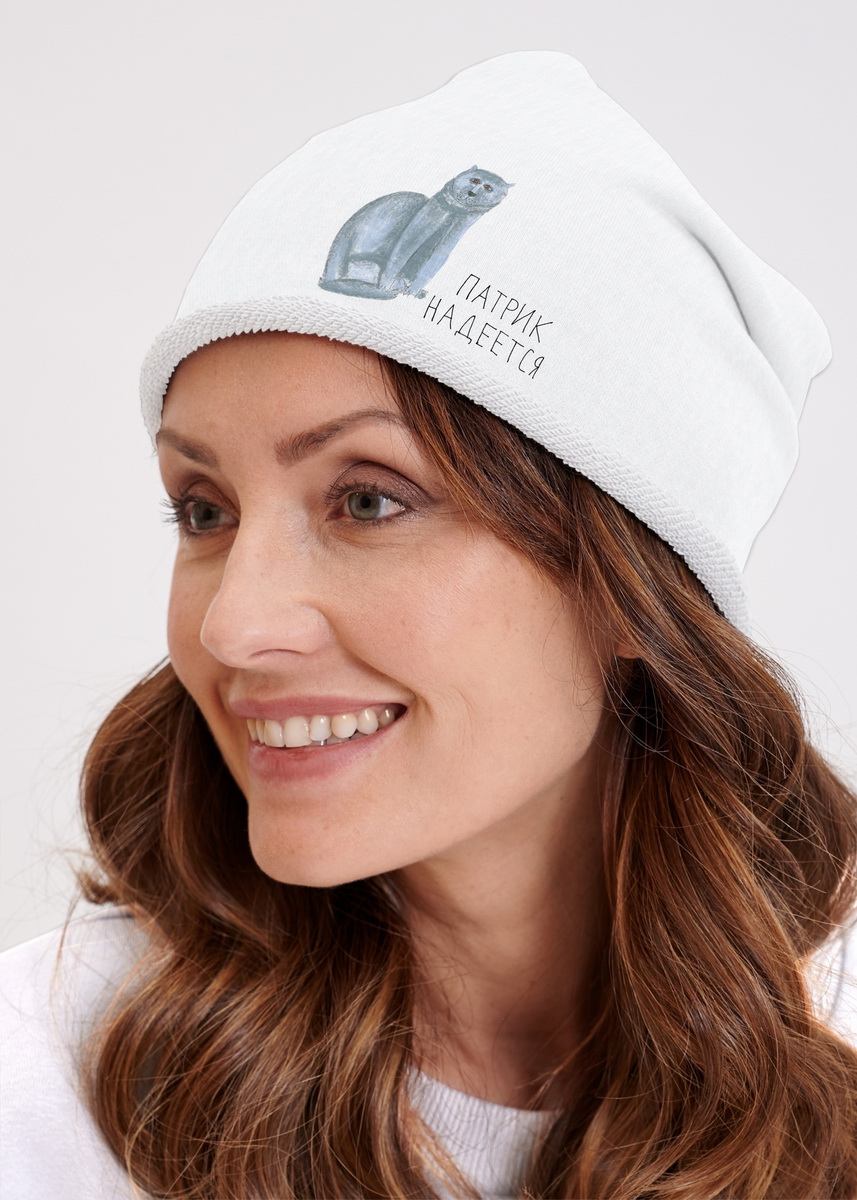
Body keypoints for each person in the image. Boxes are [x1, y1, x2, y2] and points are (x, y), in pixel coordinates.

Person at [2, 49, 856, 1200]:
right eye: (204, 510)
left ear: (629, 586)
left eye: (366, 501)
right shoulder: (42, 1092)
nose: (234, 625)